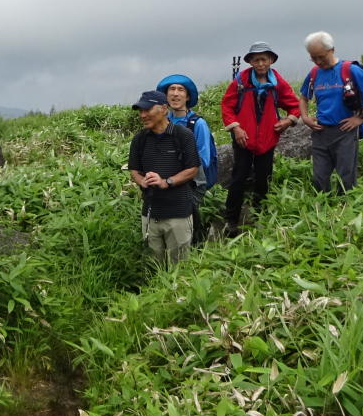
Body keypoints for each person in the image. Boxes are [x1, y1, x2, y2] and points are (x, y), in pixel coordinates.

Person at [219, 42, 302, 235]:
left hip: (268, 140)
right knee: (238, 179)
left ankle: (260, 218)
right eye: (256, 60)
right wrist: (236, 128)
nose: (261, 63)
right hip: (243, 140)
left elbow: (294, 105)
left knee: (263, 179)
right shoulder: (240, 82)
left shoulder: (278, 83)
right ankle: (231, 221)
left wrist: (288, 121)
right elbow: (227, 106)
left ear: (271, 60)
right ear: (250, 62)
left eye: (264, 59)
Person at [298, 31, 363, 194]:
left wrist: (361, 117)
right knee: (319, 177)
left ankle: (345, 210)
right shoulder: (314, 73)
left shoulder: (350, 70)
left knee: (346, 176)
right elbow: (303, 98)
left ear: (332, 50)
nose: (318, 61)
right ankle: (322, 211)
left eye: (321, 56)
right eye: (313, 57)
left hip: (345, 131)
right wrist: (305, 117)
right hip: (321, 132)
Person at [128, 89, 201, 265]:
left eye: (147, 110)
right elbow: (134, 170)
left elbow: (193, 169)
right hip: (150, 213)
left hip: (178, 213)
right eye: (140, 111)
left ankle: (178, 293)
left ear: (163, 109)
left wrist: (166, 182)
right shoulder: (140, 139)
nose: (143, 115)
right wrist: (142, 181)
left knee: (180, 265)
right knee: (154, 265)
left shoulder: (183, 135)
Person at [156, 74, 218, 243]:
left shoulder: (198, 124)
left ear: (188, 96)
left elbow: (203, 159)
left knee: (186, 216)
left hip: (192, 181)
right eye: (171, 90)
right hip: (167, 178)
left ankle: (196, 245)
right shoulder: (161, 122)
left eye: (180, 90)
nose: (175, 94)